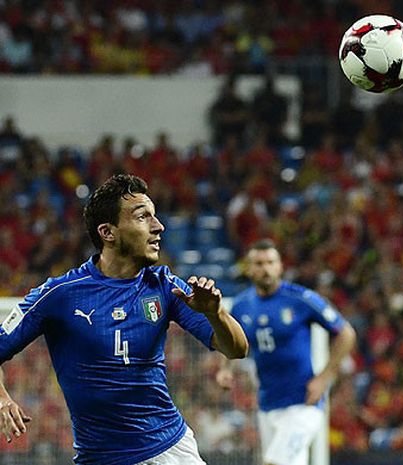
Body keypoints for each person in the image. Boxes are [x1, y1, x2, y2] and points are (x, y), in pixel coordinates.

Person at [0, 174, 249, 465]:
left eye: (155, 217)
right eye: (143, 217)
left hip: (170, 450)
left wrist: (214, 312)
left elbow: (237, 349)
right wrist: (2, 398)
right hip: (100, 458)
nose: (158, 227)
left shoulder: (164, 285)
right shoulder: (60, 294)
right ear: (108, 232)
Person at [216, 239, 356, 465]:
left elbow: (346, 333)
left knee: (275, 463)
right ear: (249, 269)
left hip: (303, 405)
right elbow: (231, 342)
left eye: (271, 262)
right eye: (259, 263)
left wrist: (325, 377)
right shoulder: (241, 306)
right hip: (268, 405)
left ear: (280, 266)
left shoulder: (301, 299)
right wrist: (225, 369)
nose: (266, 268)